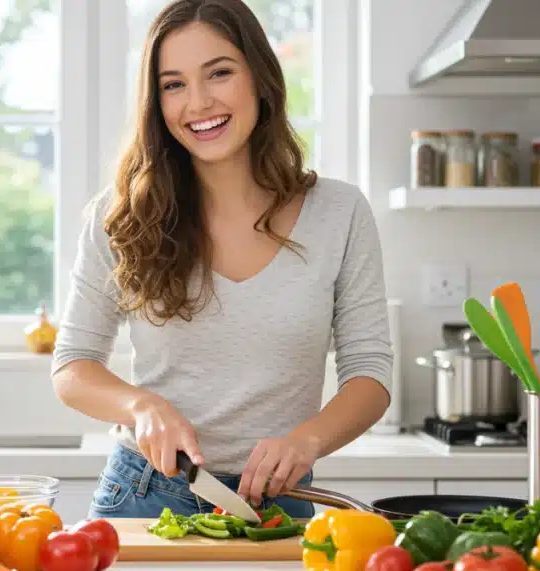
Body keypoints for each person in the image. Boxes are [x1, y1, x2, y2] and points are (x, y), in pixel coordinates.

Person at [50, 0, 394, 520]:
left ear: (259, 78)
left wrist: (307, 442)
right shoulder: (122, 215)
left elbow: (369, 375)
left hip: (281, 502)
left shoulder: (340, 213)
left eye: (220, 73)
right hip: (146, 494)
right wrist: (142, 408)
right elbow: (73, 366)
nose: (198, 103)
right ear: (156, 104)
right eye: (174, 84)